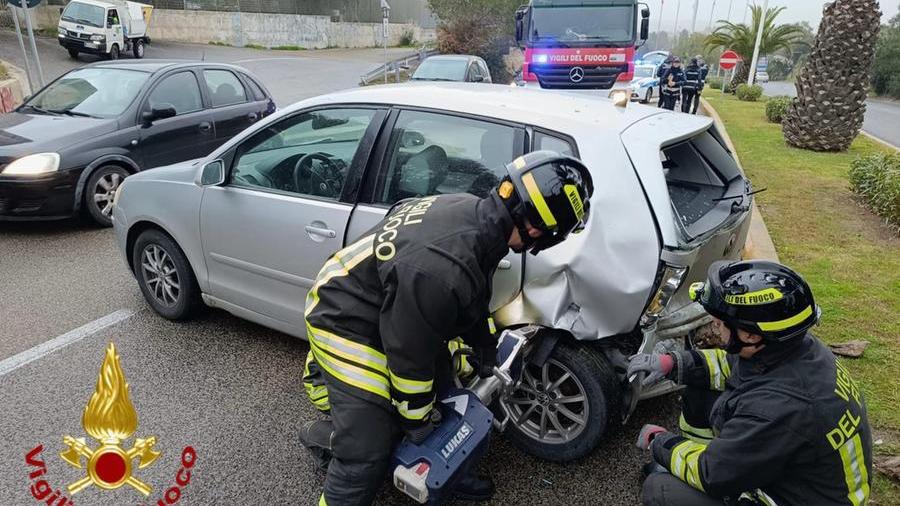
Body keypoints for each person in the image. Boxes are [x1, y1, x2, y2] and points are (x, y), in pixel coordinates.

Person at [300, 151, 594, 505]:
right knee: (368, 447)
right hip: (344, 317)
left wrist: (484, 345)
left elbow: (471, 294)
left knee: (446, 391)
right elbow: (408, 356)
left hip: (394, 305)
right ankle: (334, 440)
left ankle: (449, 475)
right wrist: (418, 421)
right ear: (535, 230)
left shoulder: (478, 218)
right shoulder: (441, 270)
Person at [629, 260, 872, 506]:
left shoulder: (775, 410)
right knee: (699, 385)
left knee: (660, 491)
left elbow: (710, 473)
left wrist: (661, 442)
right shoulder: (792, 348)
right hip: (805, 478)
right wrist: (674, 364)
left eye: (722, 322)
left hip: (793, 498)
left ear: (751, 335)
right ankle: (720, 463)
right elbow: (733, 367)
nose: (714, 324)